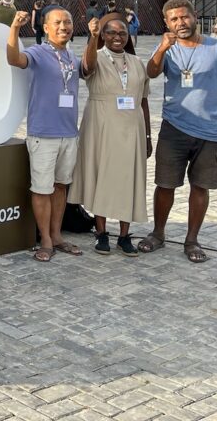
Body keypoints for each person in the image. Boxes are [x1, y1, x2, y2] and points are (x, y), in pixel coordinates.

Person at [141, 0, 217, 263]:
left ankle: (192, 240)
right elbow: (151, 72)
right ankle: (158, 233)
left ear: (195, 16)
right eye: (174, 19)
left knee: (201, 187)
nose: (180, 22)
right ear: (167, 23)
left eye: (184, 16)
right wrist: (162, 48)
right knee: (165, 185)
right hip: (174, 128)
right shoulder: (167, 48)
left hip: (210, 131)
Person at [69, 15, 152, 256]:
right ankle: (102, 232)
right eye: (112, 33)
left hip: (131, 128)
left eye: (122, 33)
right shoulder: (96, 56)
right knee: (101, 176)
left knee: (129, 179)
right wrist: (92, 37)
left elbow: (143, 100)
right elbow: (87, 67)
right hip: (101, 125)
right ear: (104, 35)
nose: (117, 37)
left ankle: (124, 235)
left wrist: (148, 136)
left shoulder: (137, 62)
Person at [6, 6, 83, 262]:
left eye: (67, 22)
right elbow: (14, 59)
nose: (64, 27)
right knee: (42, 188)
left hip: (69, 133)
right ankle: (46, 240)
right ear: (46, 27)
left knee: (60, 186)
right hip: (43, 133)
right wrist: (15, 28)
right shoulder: (38, 52)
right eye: (58, 23)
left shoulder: (71, 56)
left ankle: (57, 236)